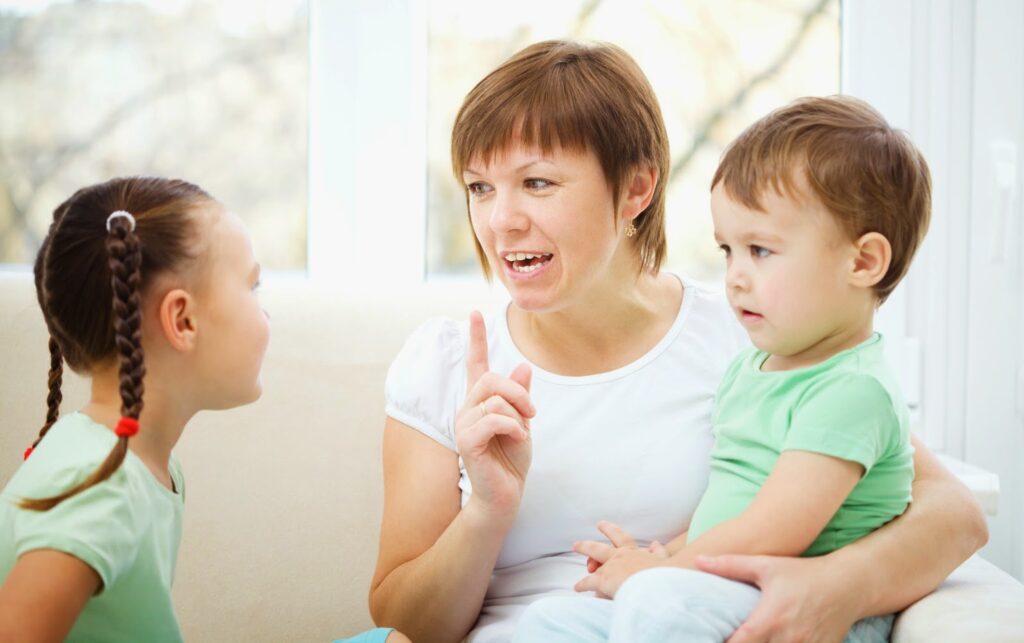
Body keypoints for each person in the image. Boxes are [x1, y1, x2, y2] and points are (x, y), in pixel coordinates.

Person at [369, 40, 987, 643]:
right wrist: (487, 508)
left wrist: (837, 588)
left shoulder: (754, 335)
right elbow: (408, 622)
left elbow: (953, 515)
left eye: (537, 183)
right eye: (479, 187)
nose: (500, 220)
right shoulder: (447, 363)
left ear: (636, 189)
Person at [512, 95, 928, 642]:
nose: (734, 276)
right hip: (718, 587)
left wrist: (661, 572)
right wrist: (661, 553)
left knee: (658, 603)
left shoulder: (851, 391)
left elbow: (777, 528)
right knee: (549, 621)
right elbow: (727, 508)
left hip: (795, 605)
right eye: (728, 250)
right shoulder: (752, 368)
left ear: (863, 262)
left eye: (761, 250)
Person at [0, 177, 405, 643]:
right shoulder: (99, 489)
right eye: (252, 287)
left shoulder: (133, 461)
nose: (264, 312)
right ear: (183, 320)